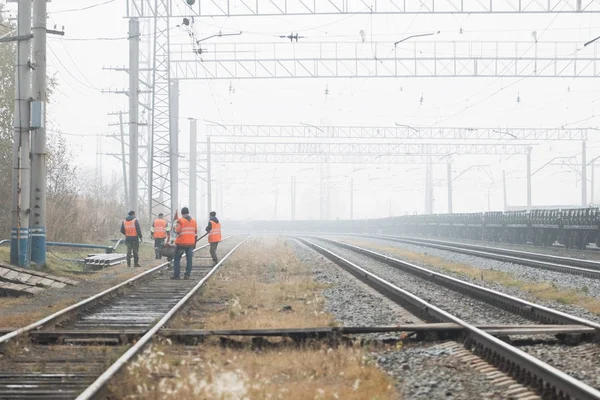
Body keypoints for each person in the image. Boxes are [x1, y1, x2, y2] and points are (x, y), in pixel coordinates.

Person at [172, 207, 198, 280]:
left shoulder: (180, 221)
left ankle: (176, 275)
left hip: (181, 243)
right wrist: (194, 242)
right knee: (189, 259)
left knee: (177, 259)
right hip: (191, 243)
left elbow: (178, 231)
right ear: (188, 212)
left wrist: (174, 228)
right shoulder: (194, 221)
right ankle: (187, 275)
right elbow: (195, 232)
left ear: (182, 213)